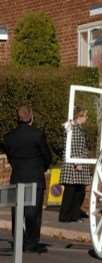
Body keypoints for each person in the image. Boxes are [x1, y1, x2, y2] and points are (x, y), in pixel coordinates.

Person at [3, 105, 52, 253]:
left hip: (17, 176)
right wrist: (41, 168)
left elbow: (10, 157)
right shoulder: (38, 135)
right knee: (34, 213)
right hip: (35, 177)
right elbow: (47, 156)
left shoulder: (8, 137)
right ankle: (32, 242)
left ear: (17, 118)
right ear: (31, 117)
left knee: (17, 212)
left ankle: (19, 240)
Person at [59, 107, 91, 222]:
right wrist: (77, 162)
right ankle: (66, 215)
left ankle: (74, 214)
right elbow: (73, 146)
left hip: (79, 162)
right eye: (85, 116)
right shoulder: (73, 128)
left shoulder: (78, 128)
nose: (87, 118)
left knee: (78, 191)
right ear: (79, 116)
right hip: (75, 164)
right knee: (71, 191)